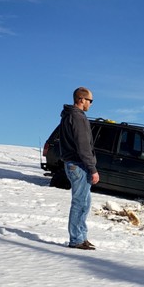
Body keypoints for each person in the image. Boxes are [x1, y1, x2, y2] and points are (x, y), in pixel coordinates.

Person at [59, 87, 100, 250]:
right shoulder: (77, 117)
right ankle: (76, 239)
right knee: (79, 203)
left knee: (85, 202)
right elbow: (83, 146)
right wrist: (93, 169)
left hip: (75, 164)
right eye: (90, 101)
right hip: (78, 165)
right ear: (81, 99)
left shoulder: (70, 116)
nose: (91, 104)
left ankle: (82, 236)